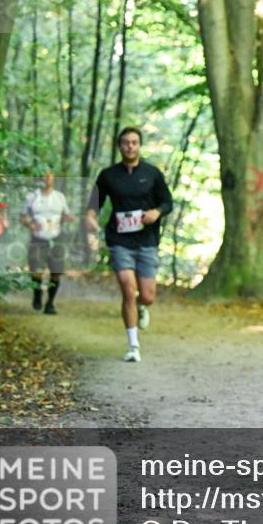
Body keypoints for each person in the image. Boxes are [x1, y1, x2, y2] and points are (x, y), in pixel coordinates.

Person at [86, 127, 173, 362]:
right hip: (119, 240)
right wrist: (91, 218)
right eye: (126, 143)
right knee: (127, 288)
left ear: (140, 146)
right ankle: (133, 345)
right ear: (119, 146)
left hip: (147, 241)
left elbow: (168, 202)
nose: (130, 147)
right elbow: (94, 203)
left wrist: (156, 212)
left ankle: (142, 307)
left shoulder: (152, 173)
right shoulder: (108, 175)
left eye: (134, 142)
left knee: (147, 295)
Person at [21, 171, 73, 314]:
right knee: (36, 271)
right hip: (38, 238)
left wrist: (67, 219)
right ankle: (37, 296)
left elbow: (67, 215)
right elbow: (23, 217)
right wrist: (30, 224)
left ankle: (50, 303)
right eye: (44, 175)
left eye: (50, 175)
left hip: (56, 238)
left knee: (56, 272)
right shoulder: (31, 197)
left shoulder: (60, 197)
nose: (47, 178)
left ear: (54, 178)